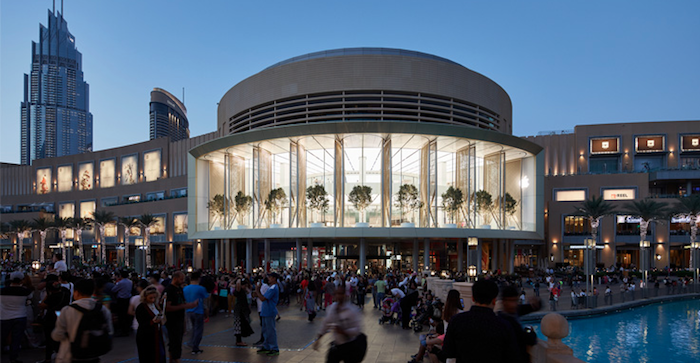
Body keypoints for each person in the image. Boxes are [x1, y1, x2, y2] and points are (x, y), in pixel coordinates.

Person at [442, 279, 518, 363]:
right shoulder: (504, 326)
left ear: (473, 298)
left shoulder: (456, 321)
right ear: (494, 300)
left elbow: (448, 352)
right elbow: (512, 356)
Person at [52, 278, 114, 363]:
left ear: (76, 292)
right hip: (94, 355)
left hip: (70, 355)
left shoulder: (67, 310)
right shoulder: (102, 309)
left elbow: (57, 335)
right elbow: (109, 331)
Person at [313, 283, 366, 363]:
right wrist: (318, 338)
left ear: (345, 294)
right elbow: (326, 324)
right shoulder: (331, 309)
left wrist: (344, 332)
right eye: (337, 294)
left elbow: (357, 329)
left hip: (350, 346)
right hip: (337, 345)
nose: (339, 296)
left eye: (341, 294)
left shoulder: (351, 310)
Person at [498, 285, 539, 363]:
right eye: (511, 301)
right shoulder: (508, 322)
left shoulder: (511, 313)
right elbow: (528, 339)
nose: (514, 304)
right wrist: (531, 332)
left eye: (515, 301)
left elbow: (532, 307)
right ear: (504, 302)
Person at [36, 274, 71, 363]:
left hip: (50, 319)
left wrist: (46, 296)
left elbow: (41, 305)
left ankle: (48, 358)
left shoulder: (51, 297)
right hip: (63, 317)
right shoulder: (66, 294)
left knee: (49, 339)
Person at [165, 271, 198, 363]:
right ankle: (176, 358)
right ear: (175, 278)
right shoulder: (169, 290)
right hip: (172, 320)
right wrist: (185, 306)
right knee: (174, 341)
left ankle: (173, 358)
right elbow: (167, 307)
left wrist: (190, 305)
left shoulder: (179, 289)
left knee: (178, 341)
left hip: (179, 319)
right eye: (181, 279)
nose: (182, 281)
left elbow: (182, 303)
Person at [1, 271, 32, 363]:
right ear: (21, 280)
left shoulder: (2, 291)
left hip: (4, 316)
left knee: (2, 336)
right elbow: (29, 300)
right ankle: (13, 358)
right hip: (20, 315)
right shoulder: (25, 291)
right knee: (16, 338)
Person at [135, 285, 167, 363]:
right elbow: (141, 322)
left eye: (154, 298)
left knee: (160, 354)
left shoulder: (155, 305)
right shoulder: (141, 307)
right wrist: (152, 321)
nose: (153, 300)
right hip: (146, 337)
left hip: (156, 334)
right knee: (148, 357)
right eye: (150, 298)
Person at [184, 271, 209, 355]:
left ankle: (191, 342)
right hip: (198, 311)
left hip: (188, 311)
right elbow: (205, 301)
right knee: (198, 329)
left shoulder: (185, 288)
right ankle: (195, 347)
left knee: (192, 329)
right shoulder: (201, 288)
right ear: (199, 278)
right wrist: (206, 312)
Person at [255, 272, 280, 356]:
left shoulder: (273, 288)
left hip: (269, 311)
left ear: (274, 278)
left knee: (270, 330)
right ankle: (266, 346)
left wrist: (257, 290)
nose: (268, 279)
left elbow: (263, 298)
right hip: (265, 311)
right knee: (265, 330)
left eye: (270, 277)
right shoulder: (270, 287)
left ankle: (274, 347)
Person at [232, 278, 254, 346]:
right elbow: (238, 285)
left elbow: (249, 290)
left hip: (242, 310)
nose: (245, 286)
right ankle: (238, 341)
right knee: (238, 325)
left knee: (241, 325)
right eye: (244, 285)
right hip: (239, 310)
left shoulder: (244, 291)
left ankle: (239, 340)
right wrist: (239, 278)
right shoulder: (238, 291)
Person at [112, 270, 134, 336]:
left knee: (122, 315)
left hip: (121, 300)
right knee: (127, 315)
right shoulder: (130, 282)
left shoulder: (120, 283)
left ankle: (123, 330)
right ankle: (127, 329)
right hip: (128, 299)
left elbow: (113, 290)